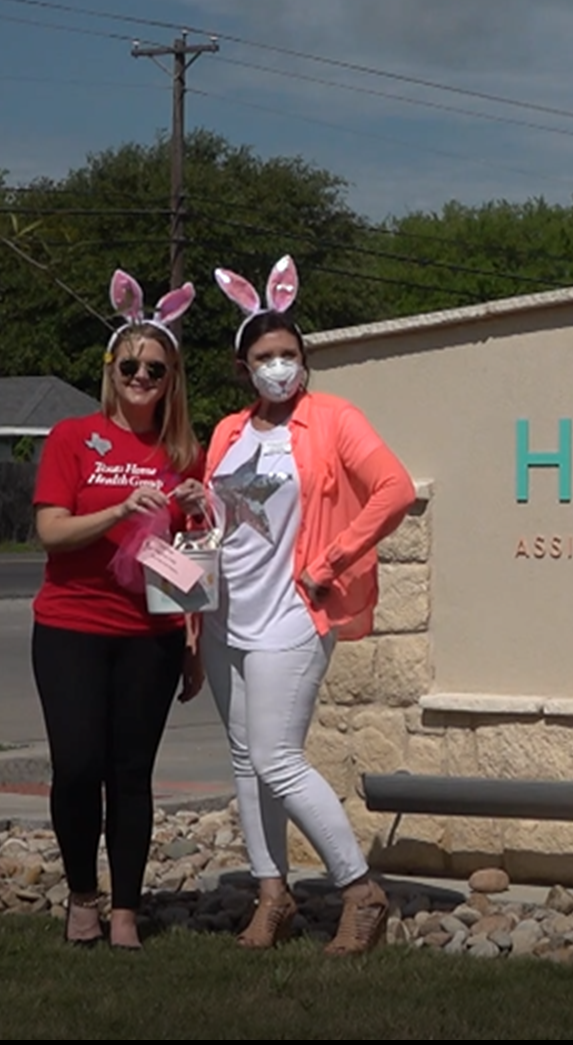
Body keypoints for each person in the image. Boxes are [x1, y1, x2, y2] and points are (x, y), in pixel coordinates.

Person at [200, 255, 416, 956]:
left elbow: (394, 489)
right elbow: (222, 518)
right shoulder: (231, 432)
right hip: (226, 612)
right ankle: (273, 896)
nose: (278, 367)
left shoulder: (333, 419)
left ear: (304, 360)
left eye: (289, 354)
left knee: (276, 756)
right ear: (243, 367)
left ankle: (360, 890)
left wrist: (331, 561)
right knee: (243, 756)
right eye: (264, 357)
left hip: (292, 612)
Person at [31, 270, 207, 950]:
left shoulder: (183, 452)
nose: (141, 376)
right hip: (71, 625)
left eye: (155, 368)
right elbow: (51, 531)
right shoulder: (74, 438)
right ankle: (82, 895)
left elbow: (192, 567)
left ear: (171, 379)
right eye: (129, 364)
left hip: (151, 636)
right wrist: (116, 509)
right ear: (112, 370)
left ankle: (127, 910)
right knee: (77, 766)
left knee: (130, 774)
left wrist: (192, 638)